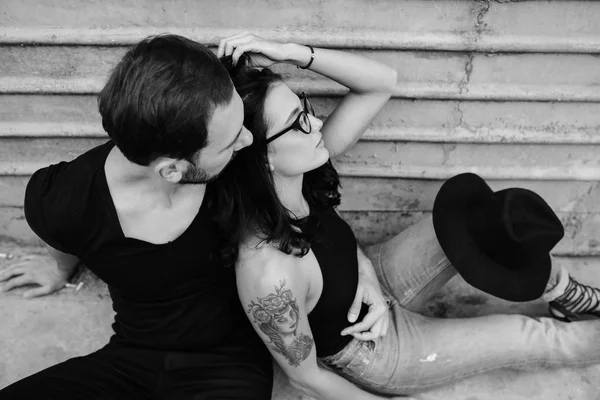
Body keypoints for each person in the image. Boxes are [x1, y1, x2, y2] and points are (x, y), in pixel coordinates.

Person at [0, 33, 392, 399]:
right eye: (232, 139)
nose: (247, 139)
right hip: (129, 356)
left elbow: (315, 199)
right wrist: (57, 269)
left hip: (229, 368)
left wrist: (293, 52)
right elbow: (61, 229)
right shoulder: (66, 196)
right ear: (173, 170)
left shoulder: (241, 170)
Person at [212, 34, 600, 399]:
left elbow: (381, 82)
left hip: (376, 275)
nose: (315, 123)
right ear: (261, 155)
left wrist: (291, 51)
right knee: (530, 335)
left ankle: (562, 292)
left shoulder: (303, 162)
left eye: (305, 109)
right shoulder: (266, 273)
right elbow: (306, 378)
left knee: (485, 221)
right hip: (373, 347)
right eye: (297, 122)